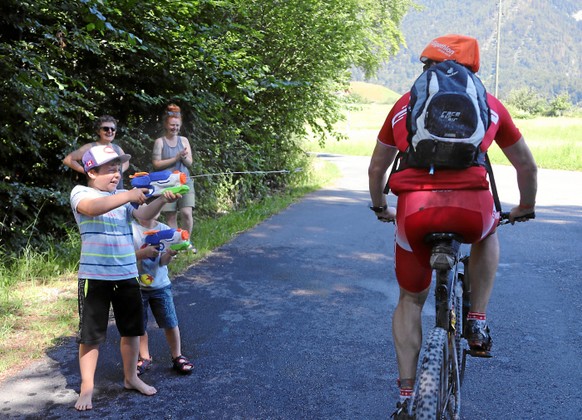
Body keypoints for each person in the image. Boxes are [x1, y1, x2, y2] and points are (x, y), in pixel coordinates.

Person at [367, 34, 538, 416]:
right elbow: (526, 165)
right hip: (472, 212)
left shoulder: (403, 107)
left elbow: (377, 167)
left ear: (426, 67)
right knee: (489, 229)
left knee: (410, 299)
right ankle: (476, 320)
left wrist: (380, 206)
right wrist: (524, 206)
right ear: (473, 71)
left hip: (414, 213)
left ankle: (408, 396)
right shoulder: (489, 107)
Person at [70, 144, 182, 411]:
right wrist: (129, 195)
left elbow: (143, 215)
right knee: (91, 335)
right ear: (91, 171)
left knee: (132, 330)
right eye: (110, 170)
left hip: (127, 273)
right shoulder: (81, 192)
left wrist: (160, 200)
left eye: (117, 170)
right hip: (94, 277)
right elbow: (92, 208)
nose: (116, 175)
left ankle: (131, 378)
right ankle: (87, 388)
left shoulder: (122, 195)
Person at [132, 212, 194, 376]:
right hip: (137, 287)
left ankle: (177, 356)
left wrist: (170, 254)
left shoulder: (165, 229)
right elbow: (124, 258)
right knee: (139, 325)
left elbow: (163, 262)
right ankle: (144, 357)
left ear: (158, 210)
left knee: (170, 321)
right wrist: (143, 254)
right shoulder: (131, 229)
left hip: (161, 285)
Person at [151, 104, 196, 251]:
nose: (174, 128)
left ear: (180, 125)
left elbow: (190, 162)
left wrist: (183, 158)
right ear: (166, 124)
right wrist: (175, 158)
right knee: (171, 216)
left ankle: (186, 242)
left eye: (177, 125)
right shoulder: (160, 142)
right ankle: (175, 245)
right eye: (172, 125)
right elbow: (156, 164)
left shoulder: (184, 141)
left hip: (185, 181)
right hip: (167, 184)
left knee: (186, 213)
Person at [63, 115, 130, 189]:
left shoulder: (117, 148)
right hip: (97, 194)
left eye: (113, 129)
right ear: (98, 131)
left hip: (117, 191)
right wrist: (87, 171)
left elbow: (126, 162)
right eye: (106, 128)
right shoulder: (90, 147)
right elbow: (68, 160)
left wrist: (117, 171)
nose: (110, 131)